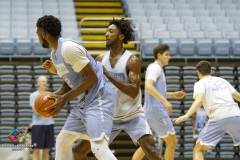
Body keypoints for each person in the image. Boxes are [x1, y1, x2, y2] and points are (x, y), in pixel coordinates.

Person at [72, 18, 163, 160]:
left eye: (111, 31)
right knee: (78, 150)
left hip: (132, 115)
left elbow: (133, 91)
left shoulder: (132, 60)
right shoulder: (100, 59)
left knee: (151, 149)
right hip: (107, 115)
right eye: (106, 31)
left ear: (121, 36)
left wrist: (108, 75)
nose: (106, 34)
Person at [38, 15, 117, 160]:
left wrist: (64, 98)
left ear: (43, 34)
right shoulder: (54, 54)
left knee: (99, 148)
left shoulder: (68, 48)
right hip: (84, 102)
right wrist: (56, 95)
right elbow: (71, 82)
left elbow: (91, 77)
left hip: (99, 98)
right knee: (62, 141)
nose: (38, 37)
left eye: (38, 33)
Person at [174, 60, 240, 160]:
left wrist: (186, 115)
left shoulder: (200, 83)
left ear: (198, 72)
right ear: (211, 71)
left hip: (219, 116)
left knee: (198, 149)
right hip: (236, 114)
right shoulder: (222, 81)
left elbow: (199, 100)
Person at [132, 44, 186, 160]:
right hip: (157, 111)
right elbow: (148, 86)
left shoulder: (155, 68)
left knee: (146, 145)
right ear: (159, 55)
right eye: (166, 55)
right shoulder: (155, 68)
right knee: (172, 142)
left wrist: (172, 95)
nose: (169, 57)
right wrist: (165, 101)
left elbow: (154, 90)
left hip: (149, 111)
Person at [30, 76, 54, 160]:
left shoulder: (50, 95)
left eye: (45, 81)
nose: (44, 83)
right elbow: (35, 110)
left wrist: (48, 113)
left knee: (46, 151)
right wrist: (46, 113)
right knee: (36, 150)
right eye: (43, 81)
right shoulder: (33, 95)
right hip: (38, 125)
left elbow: (53, 110)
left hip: (49, 124)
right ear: (38, 83)